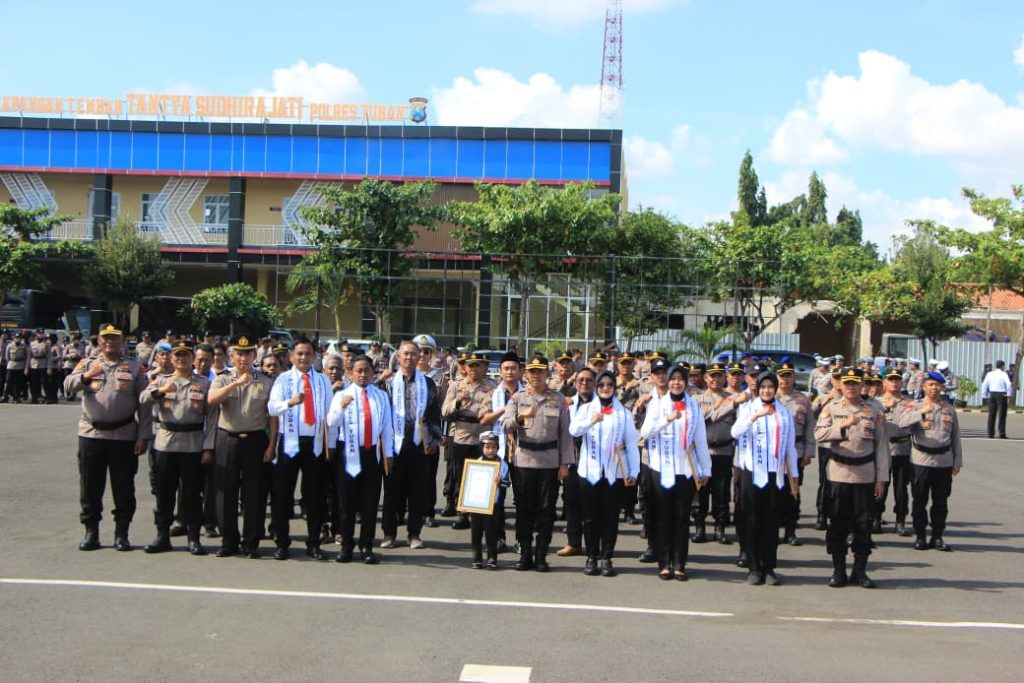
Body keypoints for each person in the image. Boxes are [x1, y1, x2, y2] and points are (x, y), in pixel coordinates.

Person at [65, 324, 148, 551]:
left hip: (123, 435)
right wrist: (86, 377)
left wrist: (144, 436)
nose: (110, 342)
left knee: (123, 487)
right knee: (90, 486)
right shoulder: (87, 364)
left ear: (122, 341)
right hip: (92, 434)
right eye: (106, 339)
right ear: (99, 342)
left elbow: (145, 405)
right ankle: (91, 531)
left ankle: (122, 533)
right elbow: (68, 385)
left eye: (115, 338)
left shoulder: (134, 367)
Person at [141, 340, 218, 556]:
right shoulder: (161, 380)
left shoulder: (203, 384)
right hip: (166, 442)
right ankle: (162, 536)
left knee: (193, 494)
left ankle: (194, 538)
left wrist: (208, 447)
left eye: (185, 355)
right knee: (164, 493)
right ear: (171, 359)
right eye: (177, 355)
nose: (181, 359)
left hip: (193, 443)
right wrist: (161, 391)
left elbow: (212, 418)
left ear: (192, 359)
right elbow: (143, 398)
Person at [814, 367, 889, 588]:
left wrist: (881, 478)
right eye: (847, 383)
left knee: (863, 525)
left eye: (855, 383)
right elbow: (819, 434)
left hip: (865, 475)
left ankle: (859, 571)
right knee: (837, 523)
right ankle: (838, 570)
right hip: (839, 473)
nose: (851, 387)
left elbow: (882, 446)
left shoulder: (874, 410)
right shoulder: (831, 408)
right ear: (840, 384)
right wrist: (841, 427)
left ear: (861, 385)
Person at [501, 355, 574, 572]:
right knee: (524, 509)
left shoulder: (558, 399)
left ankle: (541, 554)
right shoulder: (517, 398)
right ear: (527, 374)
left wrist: (565, 463)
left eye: (540, 371)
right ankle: (525, 554)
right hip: (524, 461)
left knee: (546, 510)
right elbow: (505, 425)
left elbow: (565, 434)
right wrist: (520, 418)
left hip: (550, 461)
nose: (535, 375)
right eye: (532, 372)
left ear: (546, 374)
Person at [207, 335, 277, 558]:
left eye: (248, 353)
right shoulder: (223, 378)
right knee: (225, 493)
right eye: (239, 353)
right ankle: (229, 541)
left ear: (255, 355)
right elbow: (212, 400)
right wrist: (237, 383)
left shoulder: (266, 380)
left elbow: (272, 417)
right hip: (227, 439)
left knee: (254, 494)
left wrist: (271, 445)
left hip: (256, 441)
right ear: (232, 355)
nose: (243, 358)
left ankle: (251, 542)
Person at [639, 363, 711, 581]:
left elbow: (700, 440)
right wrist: (666, 419)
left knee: (681, 518)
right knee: (662, 517)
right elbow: (645, 432)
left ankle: (679, 563)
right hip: (660, 469)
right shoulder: (658, 405)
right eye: (673, 379)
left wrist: (705, 468)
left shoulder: (693, 407)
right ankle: (664, 563)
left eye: (681, 379)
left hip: (685, 470)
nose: (676, 383)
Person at [569, 370, 640, 577]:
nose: (605, 388)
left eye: (610, 385)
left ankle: (607, 557)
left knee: (610, 517)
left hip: (614, 473)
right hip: (589, 471)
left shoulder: (623, 413)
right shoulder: (586, 409)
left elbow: (632, 445)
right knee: (590, 517)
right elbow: (574, 431)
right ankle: (592, 556)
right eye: (601, 385)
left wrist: (633, 471)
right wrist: (591, 420)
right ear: (596, 387)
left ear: (614, 388)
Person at [267, 338, 333, 561]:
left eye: (308, 354)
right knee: (282, 494)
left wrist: (329, 446)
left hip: (313, 443)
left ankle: (313, 542)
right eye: (300, 354)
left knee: (314, 495)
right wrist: (290, 403)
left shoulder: (323, 381)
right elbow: (272, 407)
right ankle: (282, 542)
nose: (304, 358)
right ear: (292, 357)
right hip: (289, 441)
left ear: (315, 357)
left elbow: (329, 414)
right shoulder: (283, 380)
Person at [731, 371, 799, 585]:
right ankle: (754, 568)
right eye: (763, 387)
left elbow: (790, 448)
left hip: (776, 474)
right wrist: (755, 417)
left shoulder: (784, 413)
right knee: (752, 521)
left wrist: (794, 476)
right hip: (752, 472)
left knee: (771, 523)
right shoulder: (748, 408)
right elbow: (735, 432)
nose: (767, 390)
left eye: (770, 386)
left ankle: (769, 567)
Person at [326, 355, 393, 565]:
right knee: (347, 502)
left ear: (373, 372)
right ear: (351, 372)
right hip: (348, 454)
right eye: (359, 371)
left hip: (371, 454)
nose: (363, 375)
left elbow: (387, 429)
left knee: (370, 503)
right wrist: (341, 407)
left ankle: (366, 546)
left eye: (367, 370)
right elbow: (330, 423)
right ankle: (347, 545)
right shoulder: (342, 395)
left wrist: (388, 455)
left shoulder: (381, 396)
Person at [382, 341, 443, 549]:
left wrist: (434, 438)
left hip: (419, 443)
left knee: (418, 490)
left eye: (413, 354)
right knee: (391, 491)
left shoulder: (428, 384)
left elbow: (435, 412)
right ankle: (389, 534)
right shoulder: (388, 383)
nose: (409, 358)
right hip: (394, 443)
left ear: (419, 358)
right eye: (405, 354)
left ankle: (414, 534)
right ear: (398, 357)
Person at [898, 371, 964, 551]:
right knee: (919, 499)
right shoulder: (915, 405)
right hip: (920, 460)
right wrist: (920, 413)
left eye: (937, 385)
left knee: (940, 501)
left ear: (942, 387)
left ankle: (937, 536)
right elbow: (902, 423)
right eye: (930, 385)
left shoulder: (948, 409)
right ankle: (920, 536)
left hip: (943, 460)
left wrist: (957, 461)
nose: (933, 388)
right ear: (923, 387)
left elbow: (955, 436)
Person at [442, 351, 496, 530]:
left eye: (477, 366)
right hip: (462, 436)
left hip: (482, 437)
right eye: (470, 366)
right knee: (461, 477)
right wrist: (458, 401)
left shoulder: (491, 386)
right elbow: (445, 411)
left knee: (482, 477)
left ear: (483, 368)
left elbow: (489, 411)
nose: (474, 369)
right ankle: (462, 514)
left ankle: (480, 515)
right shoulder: (457, 385)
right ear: (465, 367)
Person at [478, 351, 522, 552]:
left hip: (522, 452)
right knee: (496, 499)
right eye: (506, 368)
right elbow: (483, 419)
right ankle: (498, 538)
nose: (510, 371)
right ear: (501, 372)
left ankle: (522, 539)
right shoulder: (492, 393)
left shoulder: (527, 393)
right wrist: (506, 409)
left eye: (514, 368)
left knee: (523, 499)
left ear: (520, 371)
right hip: (498, 451)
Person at [693, 362, 737, 545]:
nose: (715, 379)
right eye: (712, 376)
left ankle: (719, 529)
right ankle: (700, 528)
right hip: (703, 453)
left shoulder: (733, 399)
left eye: (719, 375)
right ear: (705, 378)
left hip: (724, 451)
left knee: (721, 493)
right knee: (700, 492)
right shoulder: (696, 399)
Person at [774, 359, 814, 546]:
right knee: (774, 494)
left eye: (788, 376)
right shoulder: (770, 398)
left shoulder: (802, 400)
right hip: (773, 453)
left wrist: (808, 452)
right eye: (781, 377)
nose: (785, 380)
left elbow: (809, 428)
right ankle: (773, 530)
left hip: (795, 452)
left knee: (793, 492)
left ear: (793, 377)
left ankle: (791, 531)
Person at [557, 368, 596, 558]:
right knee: (571, 503)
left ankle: (593, 544)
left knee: (592, 506)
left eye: (589, 380)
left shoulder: (602, 403)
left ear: (594, 383)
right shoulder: (567, 403)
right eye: (581, 380)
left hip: (594, 461)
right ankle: (573, 543)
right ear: (575, 382)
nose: (584, 383)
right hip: (572, 458)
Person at [468, 431, 510, 570]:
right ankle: (477, 557)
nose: (491, 450)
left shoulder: (502, 464)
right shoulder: (476, 463)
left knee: (491, 532)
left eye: (494, 447)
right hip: (477, 504)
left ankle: (492, 557)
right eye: (487, 447)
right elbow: (468, 484)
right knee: (476, 531)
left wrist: (500, 481)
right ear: (482, 448)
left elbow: (506, 483)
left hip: (493, 504)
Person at [879, 369, 913, 537]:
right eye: (890, 379)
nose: (894, 382)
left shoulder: (909, 403)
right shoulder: (877, 402)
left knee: (901, 489)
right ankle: (876, 518)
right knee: (880, 486)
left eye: (897, 380)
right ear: (885, 383)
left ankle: (900, 521)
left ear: (901, 383)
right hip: (883, 449)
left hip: (902, 449)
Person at [614, 352, 641, 524]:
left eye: (629, 363)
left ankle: (629, 510)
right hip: (615, 433)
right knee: (615, 473)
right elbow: (611, 402)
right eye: (623, 363)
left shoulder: (640, 384)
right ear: (618, 365)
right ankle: (615, 508)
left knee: (632, 472)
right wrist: (625, 389)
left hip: (634, 432)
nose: (626, 366)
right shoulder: (611, 382)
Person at [981, 359, 1011, 439]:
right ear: (1002, 366)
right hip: (1001, 395)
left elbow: (984, 384)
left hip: (992, 394)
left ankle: (990, 433)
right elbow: (1008, 384)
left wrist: (984, 395)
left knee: (991, 414)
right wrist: (1009, 394)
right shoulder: (1003, 374)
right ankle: (1001, 433)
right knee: (1002, 415)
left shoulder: (990, 374)